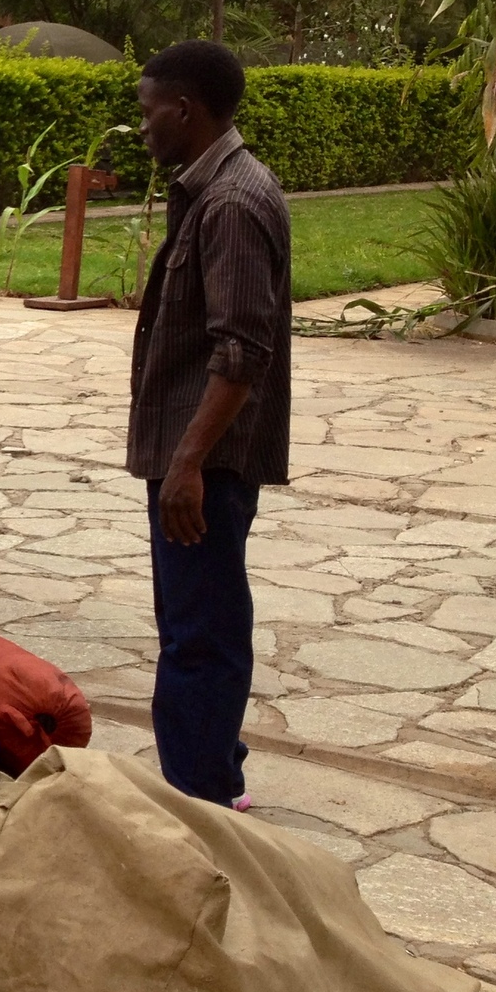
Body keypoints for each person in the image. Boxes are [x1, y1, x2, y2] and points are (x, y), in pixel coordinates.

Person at [127, 40, 291, 809]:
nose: (143, 125)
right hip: (197, 454)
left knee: (201, 634)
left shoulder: (231, 203)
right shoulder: (216, 187)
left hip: (209, 461)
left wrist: (188, 461)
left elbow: (242, 351)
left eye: (148, 109)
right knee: (198, 619)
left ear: (185, 110)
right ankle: (215, 769)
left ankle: (199, 801)